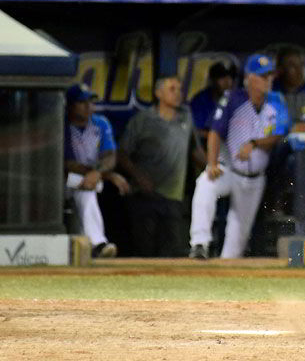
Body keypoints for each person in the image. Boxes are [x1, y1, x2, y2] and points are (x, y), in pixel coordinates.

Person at [189, 54, 289, 259]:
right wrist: (212, 163)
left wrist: (255, 143)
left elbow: (280, 134)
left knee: (237, 242)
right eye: (263, 76)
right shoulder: (233, 99)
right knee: (205, 184)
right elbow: (215, 132)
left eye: (270, 75)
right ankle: (199, 243)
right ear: (250, 78)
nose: (268, 79)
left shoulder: (276, 101)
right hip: (230, 170)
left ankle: (223, 275)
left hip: (255, 179)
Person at [118, 76, 205, 257]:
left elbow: (195, 151)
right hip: (145, 194)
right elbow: (122, 154)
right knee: (144, 248)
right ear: (158, 93)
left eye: (180, 89)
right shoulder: (142, 120)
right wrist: (139, 176)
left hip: (174, 196)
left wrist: (212, 166)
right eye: (172, 89)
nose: (178, 94)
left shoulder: (186, 117)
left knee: (173, 248)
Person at [64, 84, 128, 258]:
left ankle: (97, 244)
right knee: (85, 187)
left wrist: (98, 173)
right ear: (70, 105)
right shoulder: (62, 125)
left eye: (90, 101)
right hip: (59, 181)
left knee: (87, 192)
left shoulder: (100, 123)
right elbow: (67, 163)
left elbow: (109, 156)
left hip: (86, 181)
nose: (88, 106)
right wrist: (101, 174)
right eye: (81, 102)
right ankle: (96, 243)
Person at [273, 45, 305, 124]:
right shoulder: (270, 93)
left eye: (300, 65)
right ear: (280, 70)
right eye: (292, 65)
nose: (299, 70)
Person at [189, 61, 237, 144]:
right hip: (206, 145)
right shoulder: (200, 100)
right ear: (212, 80)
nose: (227, 82)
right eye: (222, 78)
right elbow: (195, 131)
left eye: (230, 77)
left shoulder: (235, 99)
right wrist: (218, 137)